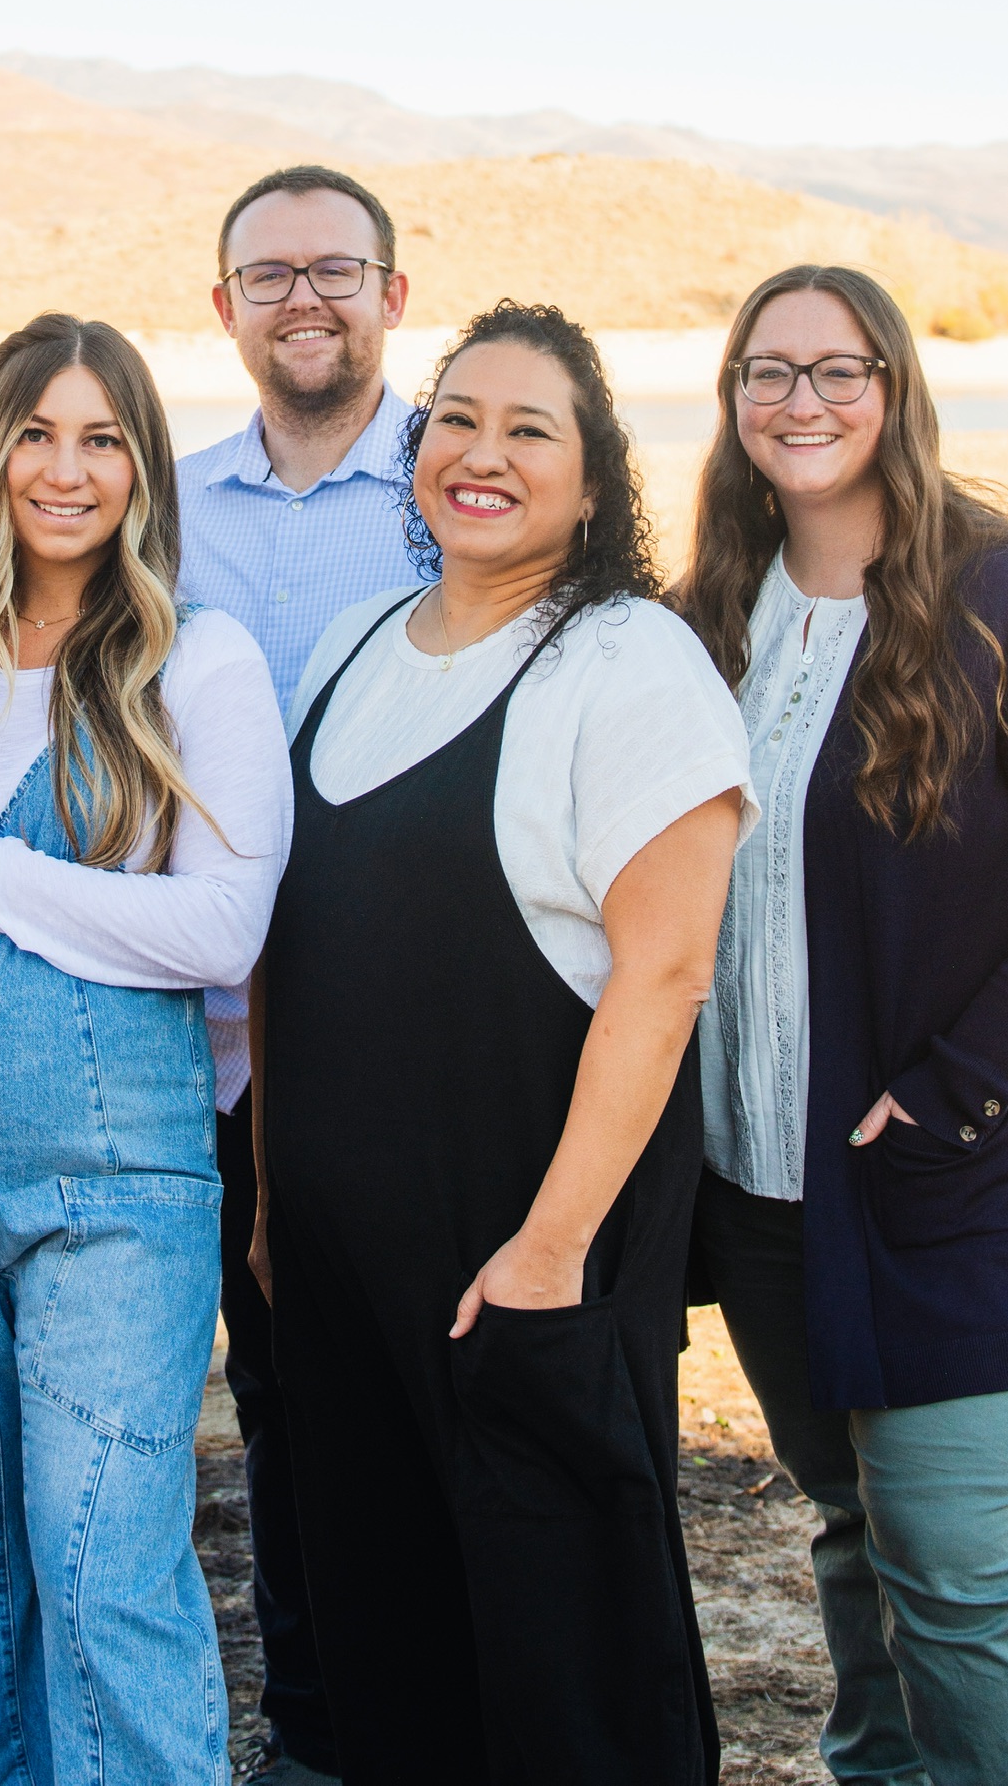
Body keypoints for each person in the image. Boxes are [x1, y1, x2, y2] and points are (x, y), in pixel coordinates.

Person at [253, 301, 755, 1785]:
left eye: (529, 429)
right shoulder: (350, 645)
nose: (481, 453)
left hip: (523, 1274)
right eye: (454, 419)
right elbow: (293, 953)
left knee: (567, 1673)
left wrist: (548, 1255)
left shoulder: (625, 661)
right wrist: (279, 1204)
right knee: (388, 1642)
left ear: (594, 482)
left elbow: (662, 979)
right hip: (341, 1274)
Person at [0, 313, 293, 1786]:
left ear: (143, 467)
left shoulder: (196, 659)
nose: (66, 467)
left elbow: (222, 925)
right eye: (35, 431)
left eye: (103, 437)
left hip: (117, 1189)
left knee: (105, 1561)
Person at [681, 265, 1008, 1786]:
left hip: (939, 1173)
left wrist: (959, 1096)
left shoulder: (990, 593)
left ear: (895, 387)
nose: (800, 401)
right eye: (767, 371)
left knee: (952, 1574)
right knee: (841, 1527)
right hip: (756, 1177)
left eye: (837, 368)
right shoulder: (705, 619)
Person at [176, 164, 421, 1784]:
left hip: (416, 1033)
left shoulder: (461, 477)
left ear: (396, 295)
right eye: (268, 276)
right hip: (207, 1040)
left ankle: (445, 1719)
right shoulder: (160, 504)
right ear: (222, 310)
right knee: (278, 1407)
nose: (304, 299)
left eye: (336, 270)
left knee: (427, 1403)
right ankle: (316, 1732)